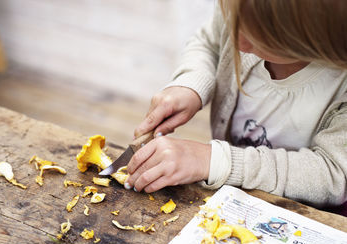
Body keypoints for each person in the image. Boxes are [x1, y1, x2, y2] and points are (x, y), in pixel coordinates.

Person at [125, 0, 347, 209]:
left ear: (319, 42)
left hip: (311, 215)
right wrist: (191, 84)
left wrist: (213, 160)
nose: (236, 41)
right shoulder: (243, 10)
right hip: (233, 190)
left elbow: (334, 175)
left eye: (261, 40)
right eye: (232, 21)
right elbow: (209, 43)